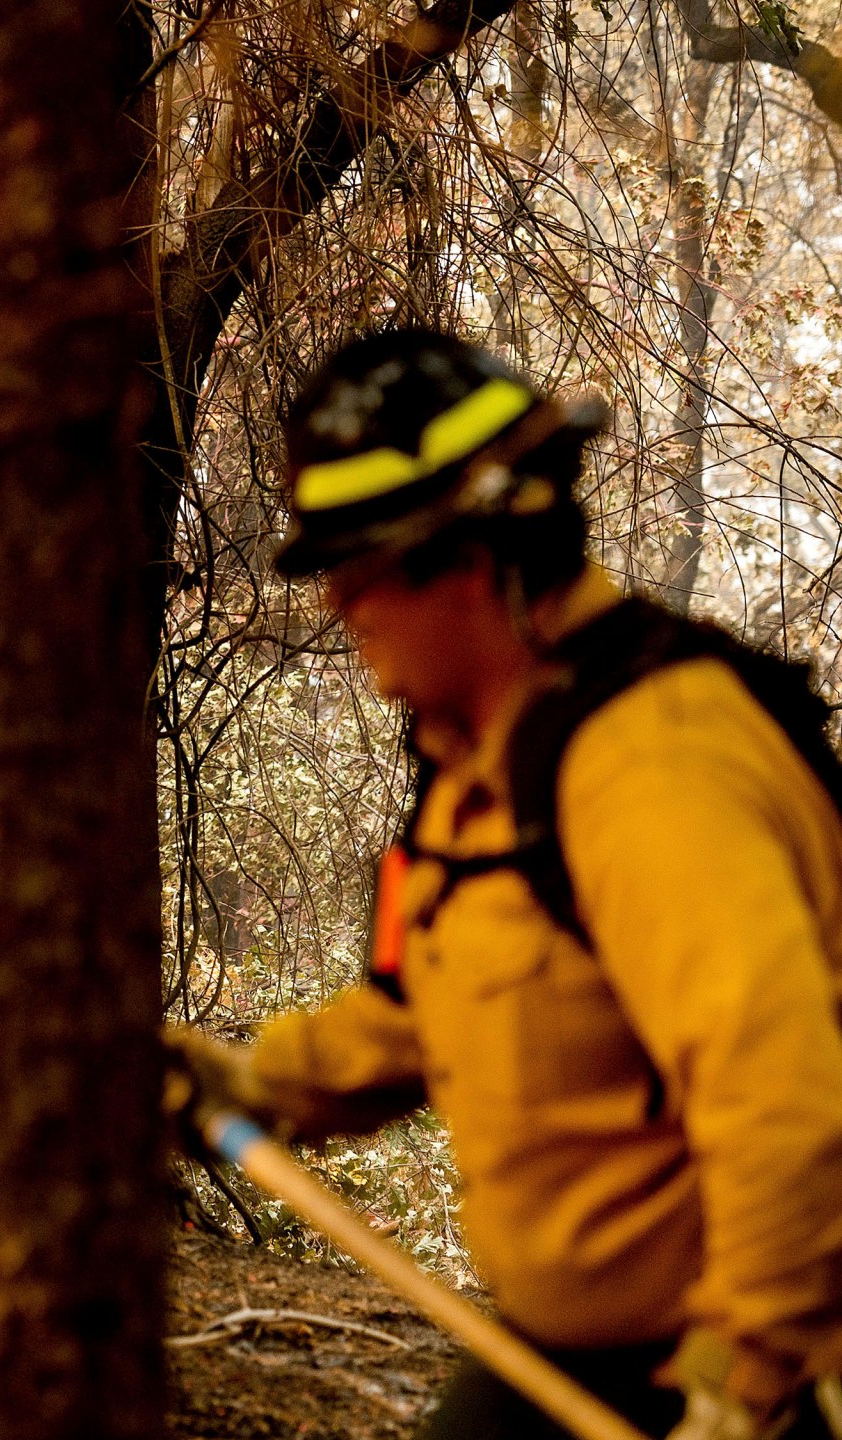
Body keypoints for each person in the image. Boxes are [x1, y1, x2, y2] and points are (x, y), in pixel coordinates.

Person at [167, 327, 842, 1440]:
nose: (338, 606)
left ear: (471, 568)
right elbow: (437, 1005)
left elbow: (785, 1104)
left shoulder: (649, 771)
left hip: (742, 1375)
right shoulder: (486, 756)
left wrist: (748, 1378)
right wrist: (257, 1086)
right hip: (564, 1363)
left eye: (356, 570)